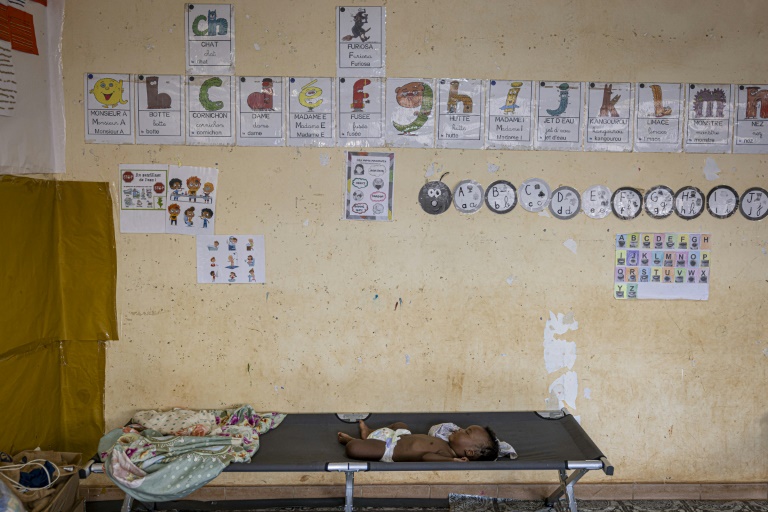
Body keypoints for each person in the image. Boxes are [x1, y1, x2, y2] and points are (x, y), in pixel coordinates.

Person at [337, 420, 498, 463]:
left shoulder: (447, 454)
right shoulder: (445, 443)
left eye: (466, 432)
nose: (460, 429)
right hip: (399, 435)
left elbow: (426, 457)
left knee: (353, 448)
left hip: (389, 449)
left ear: (469, 452)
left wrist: (451, 460)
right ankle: (369, 432)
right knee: (400, 425)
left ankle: (355, 440)